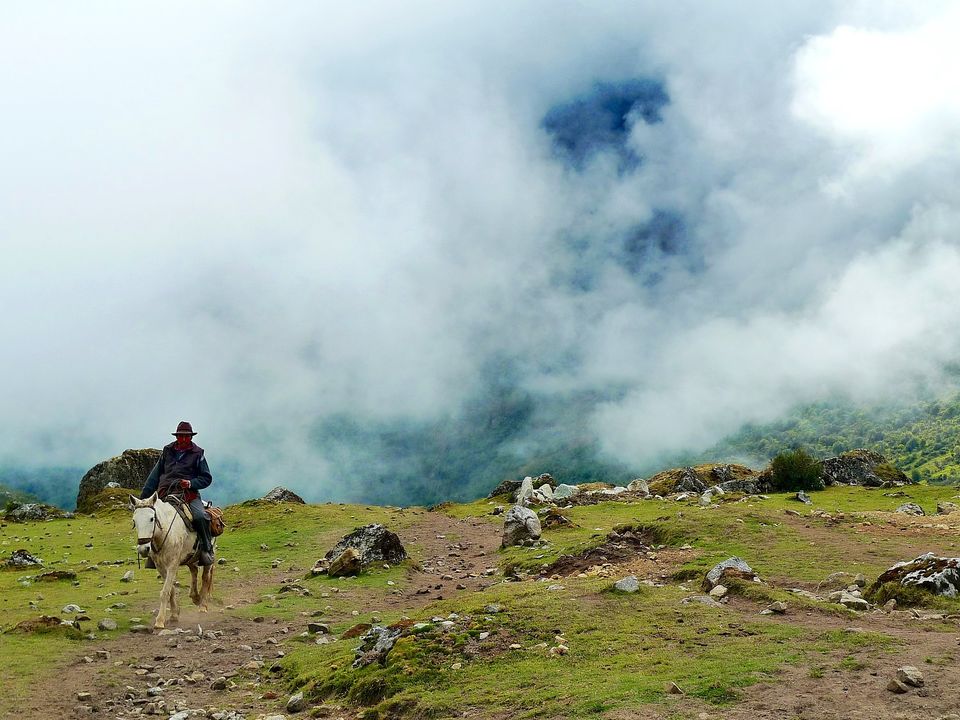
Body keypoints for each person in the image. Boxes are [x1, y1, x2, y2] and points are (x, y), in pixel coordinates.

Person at [140, 421, 215, 566]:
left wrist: (191, 483)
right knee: (151, 518)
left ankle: (206, 550)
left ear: (191, 437)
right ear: (177, 436)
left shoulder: (198, 453)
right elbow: (154, 476)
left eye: (187, 436)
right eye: (181, 436)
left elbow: (206, 478)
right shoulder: (167, 451)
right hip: (165, 493)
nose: (184, 439)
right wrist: (143, 499)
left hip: (188, 494)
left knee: (200, 516)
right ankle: (152, 555)